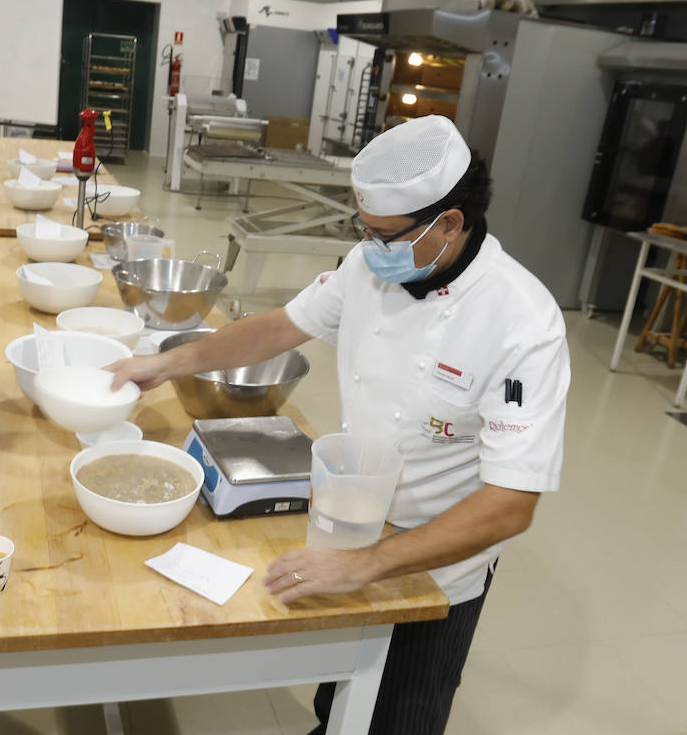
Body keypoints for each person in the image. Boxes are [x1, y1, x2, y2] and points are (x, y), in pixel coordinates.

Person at [111, 115, 569, 735]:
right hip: (352, 523)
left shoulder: (522, 323)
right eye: (365, 230)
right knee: (345, 700)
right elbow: (280, 325)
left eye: (384, 234)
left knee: (399, 718)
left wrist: (368, 565)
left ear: (451, 222)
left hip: (433, 566)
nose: (370, 246)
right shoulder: (369, 265)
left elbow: (510, 505)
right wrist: (168, 362)